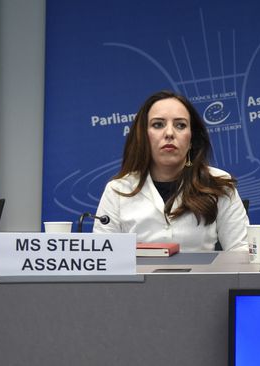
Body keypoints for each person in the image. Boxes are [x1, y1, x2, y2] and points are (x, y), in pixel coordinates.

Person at [94, 90, 248, 251]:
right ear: (144, 136)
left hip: (202, 277)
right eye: (158, 125)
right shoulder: (118, 190)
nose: (169, 133)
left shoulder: (217, 183)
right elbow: (103, 260)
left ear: (191, 139)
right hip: (138, 278)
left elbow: (241, 252)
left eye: (180, 125)